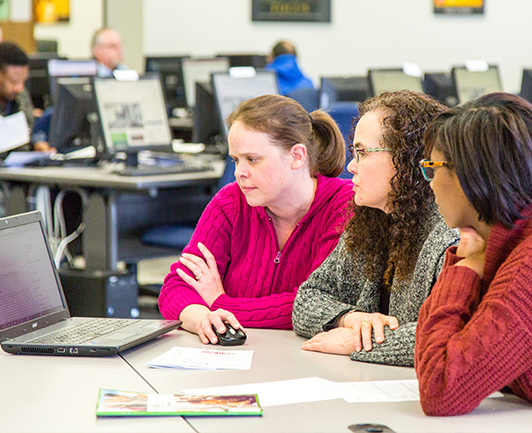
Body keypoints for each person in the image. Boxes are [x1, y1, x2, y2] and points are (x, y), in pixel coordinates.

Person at [158, 94, 353, 344]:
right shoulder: (230, 202)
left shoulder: (344, 206)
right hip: (233, 359)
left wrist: (220, 302)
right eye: (236, 160)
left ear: (297, 156)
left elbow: (319, 304)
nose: (239, 173)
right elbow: (177, 285)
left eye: (252, 159)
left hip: (308, 363)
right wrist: (202, 317)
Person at [292, 90, 459, 367]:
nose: (351, 166)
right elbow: (306, 300)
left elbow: (449, 336)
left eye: (362, 153)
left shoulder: (448, 233)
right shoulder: (374, 219)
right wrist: (350, 318)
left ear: (406, 159)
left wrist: (353, 342)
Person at [415, 92, 532, 416]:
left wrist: (465, 270)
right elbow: (430, 352)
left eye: (431, 168)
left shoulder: (526, 266)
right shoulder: (505, 244)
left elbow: (440, 390)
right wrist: (468, 262)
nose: (431, 184)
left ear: (470, 175)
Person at [0, 42, 34, 131]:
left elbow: (29, 128)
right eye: (13, 82)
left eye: (23, 81)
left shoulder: (19, 94)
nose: (19, 88)